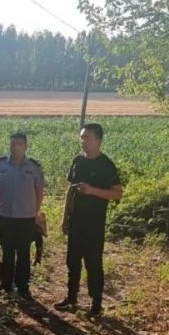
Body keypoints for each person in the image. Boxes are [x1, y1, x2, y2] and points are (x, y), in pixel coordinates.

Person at [54, 123, 123, 317]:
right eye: (82, 137)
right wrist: (65, 218)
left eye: (87, 138)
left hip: (94, 223)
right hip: (76, 221)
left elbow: (117, 194)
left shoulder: (106, 165)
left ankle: (96, 303)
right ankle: (71, 297)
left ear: (98, 141)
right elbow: (70, 190)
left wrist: (92, 191)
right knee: (72, 261)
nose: (83, 141)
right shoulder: (78, 161)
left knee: (93, 263)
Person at [0, 132, 45, 298]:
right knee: (7, 251)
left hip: (26, 217)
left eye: (19, 144)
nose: (15, 147)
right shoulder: (0, 165)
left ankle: (23, 287)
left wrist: (35, 212)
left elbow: (39, 191)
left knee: (23, 253)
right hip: (5, 216)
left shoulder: (34, 167)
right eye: (13, 144)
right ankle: (5, 284)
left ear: (25, 146)